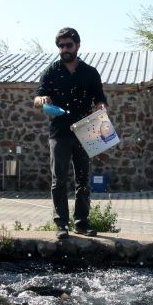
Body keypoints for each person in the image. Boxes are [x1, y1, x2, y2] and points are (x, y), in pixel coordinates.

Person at [33, 27, 107, 239]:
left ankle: (82, 224)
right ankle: (61, 225)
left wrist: (102, 106)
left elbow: (99, 98)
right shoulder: (51, 71)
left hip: (87, 129)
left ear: (77, 46)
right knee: (59, 180)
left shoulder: (90, 72)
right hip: (59, 131)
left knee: (83, 179)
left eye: (68, 45)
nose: (64, 49)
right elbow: (37, 98)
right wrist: (43, 100)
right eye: (60, 45)